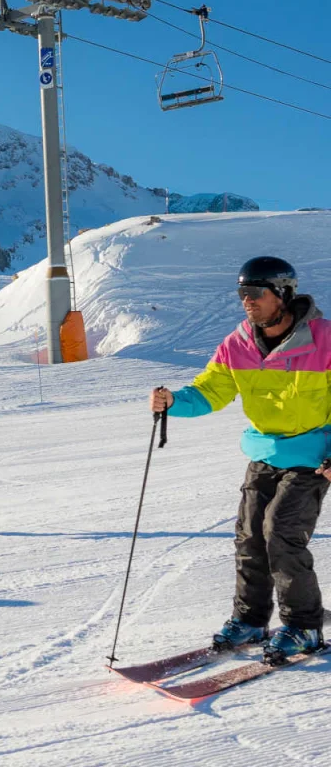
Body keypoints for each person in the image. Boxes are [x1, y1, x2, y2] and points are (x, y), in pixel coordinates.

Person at [150, 256, 331, 663]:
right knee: (250, 536)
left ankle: (303, 626)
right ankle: (250, 619)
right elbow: (210, 391)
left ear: (283, 294)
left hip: (314, 456)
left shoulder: (325, 340)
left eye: (255, 293)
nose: (246, 302)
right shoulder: (239, 344)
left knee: (280, 533)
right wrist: (174, 401)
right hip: (264, 453)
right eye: (241, 294)